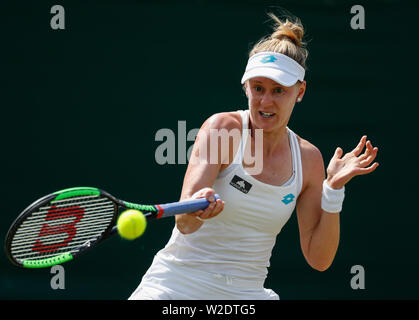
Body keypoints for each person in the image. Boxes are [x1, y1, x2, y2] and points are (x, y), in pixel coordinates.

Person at [129, 13, 379, 300]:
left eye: (279, 91)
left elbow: (319, 260)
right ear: (245, 86)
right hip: (174, 289)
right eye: (258, 88)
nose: (266, 101)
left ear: (300, 91)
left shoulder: (309, 159)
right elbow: (184, 224)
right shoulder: (222, 128)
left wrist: (333, 190)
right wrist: (198, 209)